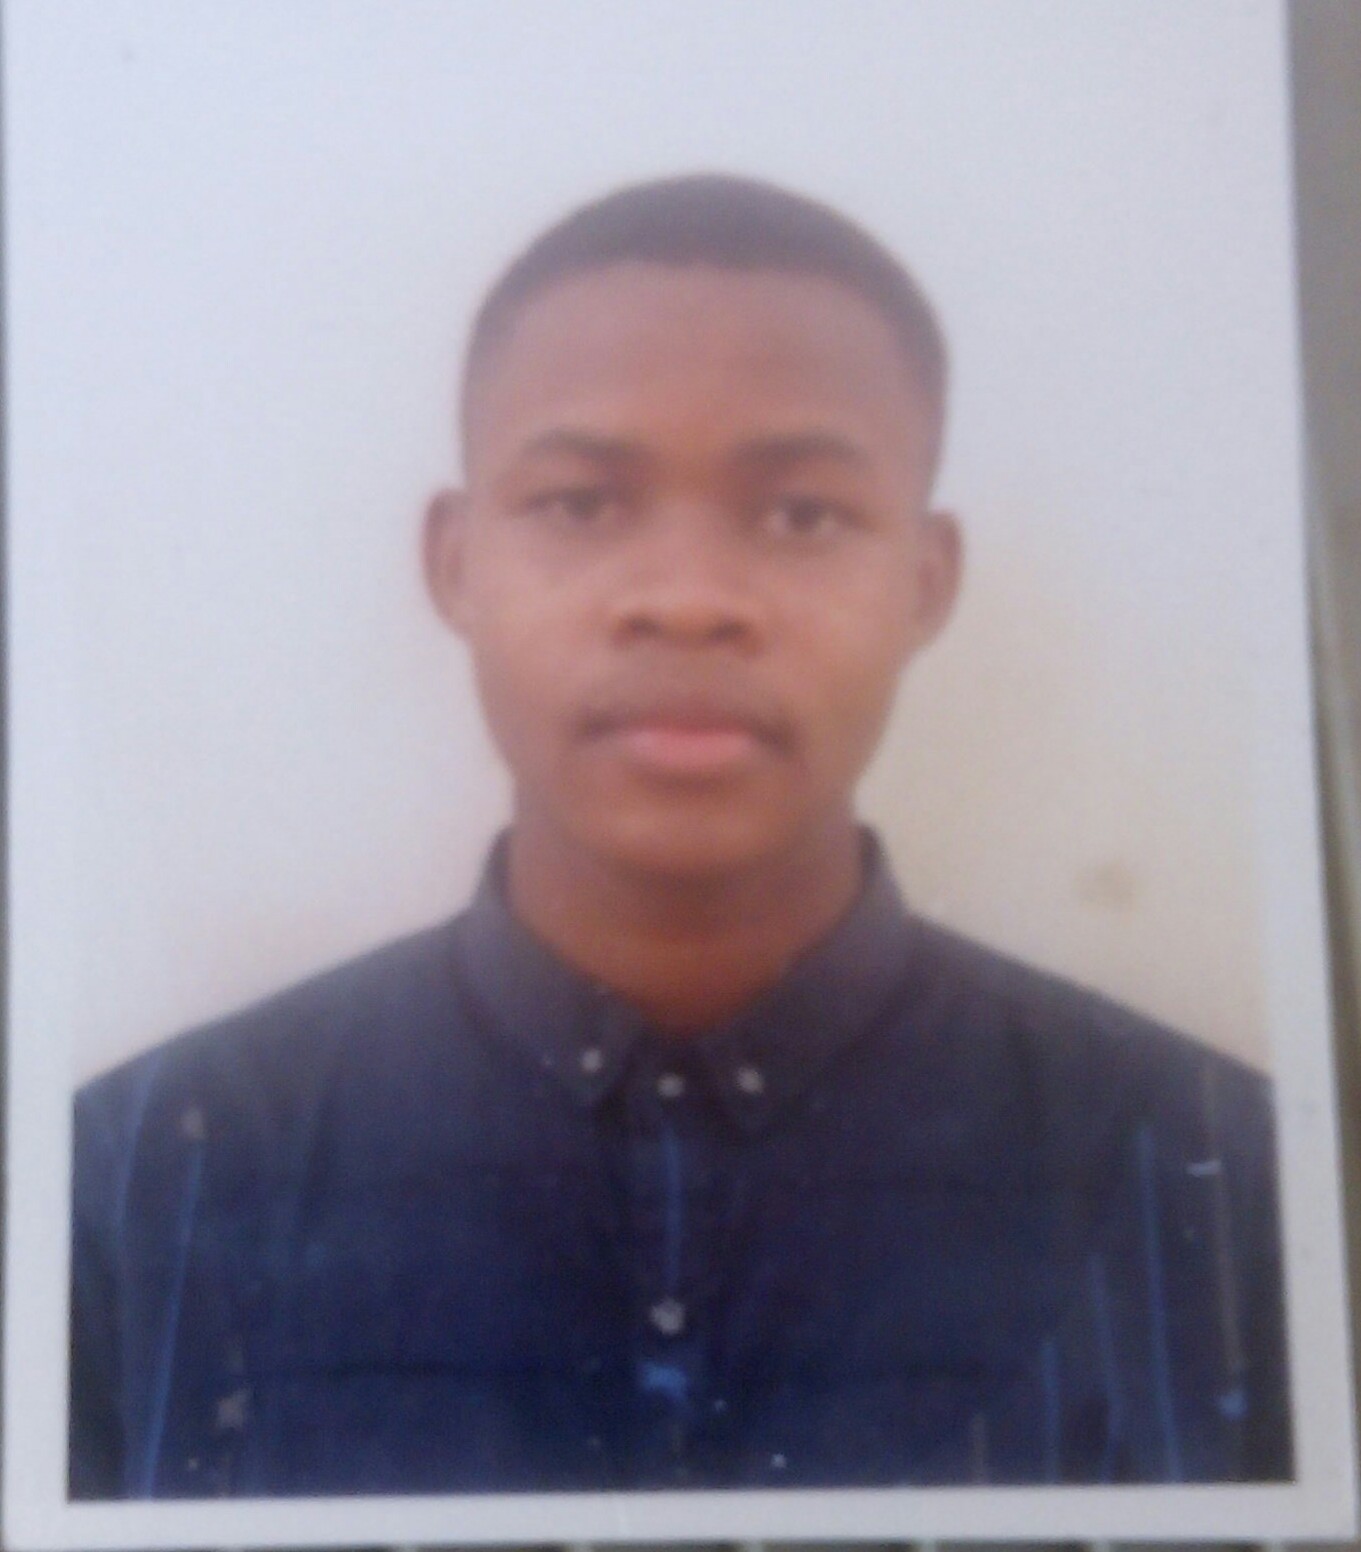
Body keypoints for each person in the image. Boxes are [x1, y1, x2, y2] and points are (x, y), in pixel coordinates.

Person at [69, 174, 1290, 1498]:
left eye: (802, 514)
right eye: (580, 504)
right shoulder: (136, 1181)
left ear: (924, 581)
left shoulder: (1225, 1178)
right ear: (456, 562)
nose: (691, 601)